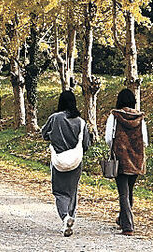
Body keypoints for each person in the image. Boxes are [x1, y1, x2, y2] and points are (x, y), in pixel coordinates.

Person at [41, 90, 92, 237]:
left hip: (58, 160)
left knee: (59, 192)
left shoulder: (55, 118)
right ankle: (71, 216)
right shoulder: (81, 122)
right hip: (76, 161)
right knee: (72, 191)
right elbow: (86, 144)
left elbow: (44, 134)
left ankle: (65, 217)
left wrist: (55, 137)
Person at [105, 88, 148, 236]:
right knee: (129, 190)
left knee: (123, 192)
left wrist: (114, 149)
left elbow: (109, 138)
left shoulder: (115, 116)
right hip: (137, 158)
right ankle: (122, 219)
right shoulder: (140, 118)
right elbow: (145, 141)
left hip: (121, 157)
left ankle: (128, 226)